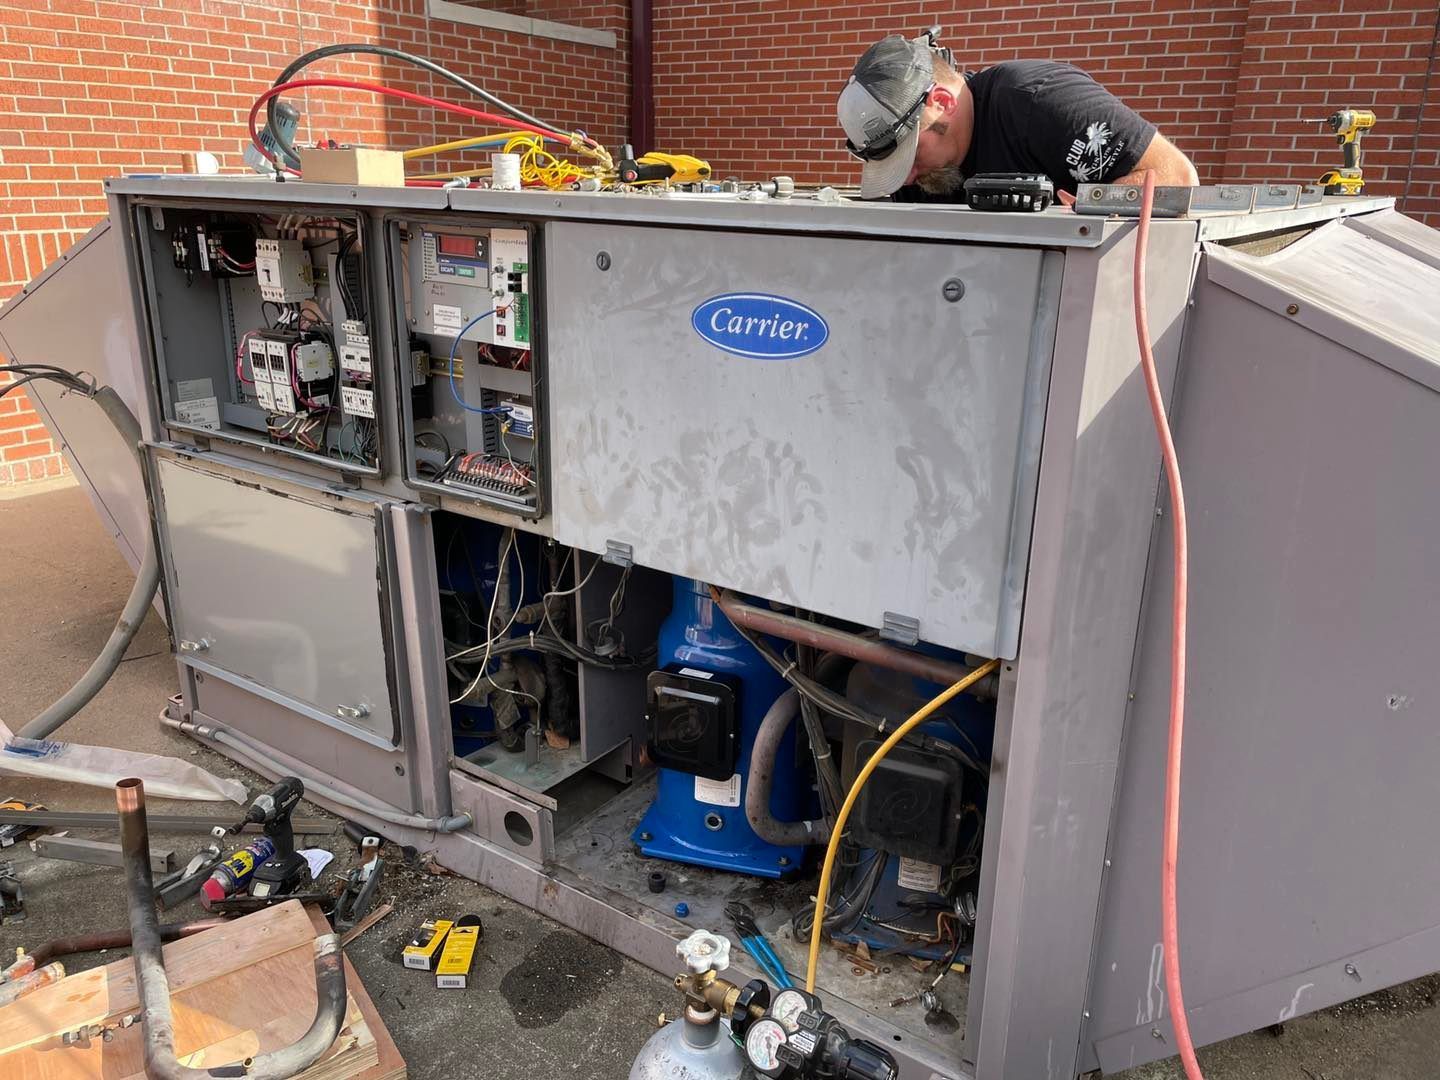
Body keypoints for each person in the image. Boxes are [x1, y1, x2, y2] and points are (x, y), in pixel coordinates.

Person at [837, 29, 1199, 202]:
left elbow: (1175, 176)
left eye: (911, 154)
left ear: (943, 102)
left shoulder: (1037, 101)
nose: (907, 178)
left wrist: (1087, 211)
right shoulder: (916, 177)